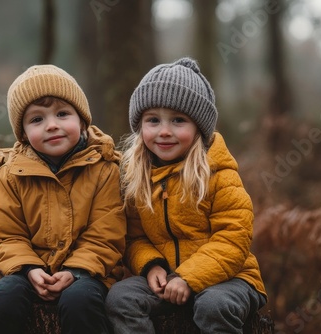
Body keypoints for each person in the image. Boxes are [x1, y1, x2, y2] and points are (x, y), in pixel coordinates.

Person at [105, 57, 267, 334]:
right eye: (153, 120)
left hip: (230, 278)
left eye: (178, 120)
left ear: (198, 128)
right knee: (121, 299)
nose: (164, 131)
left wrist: (188, 277)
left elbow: (233, 239)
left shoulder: (219, 174)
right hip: (166, 277)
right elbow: (133, 236)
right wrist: (151, 266)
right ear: (140, 126)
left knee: (214, 305)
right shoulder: (137, 177)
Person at [0, 64, 126, 334]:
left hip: (88, 273)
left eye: (62, 114)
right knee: (4, 298)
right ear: (23, 133)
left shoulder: (105, 169)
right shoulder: (10, 174)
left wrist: (75, 271)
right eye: (37, 119)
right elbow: (4, 235)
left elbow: (106, 234)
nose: (52, 125)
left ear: (82, 120)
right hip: (26, 271)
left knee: (80, 301)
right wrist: (29, 268)